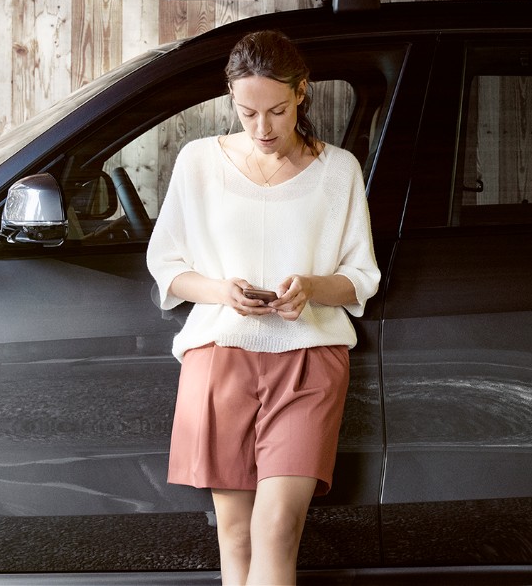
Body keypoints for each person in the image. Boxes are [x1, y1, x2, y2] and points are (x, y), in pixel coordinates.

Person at [146, 29, 381, 586]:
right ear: (231, 99)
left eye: (276, 111)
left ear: (302, 93)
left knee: (278, 527)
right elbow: (167, 265)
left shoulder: (338, 170)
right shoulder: (200, 161)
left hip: (309, 360)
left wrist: (312, 286)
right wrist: (223, 291)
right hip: (220, 355)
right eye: (247, 112)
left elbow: (361, 277)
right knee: (235, 533)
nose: (262, 128)